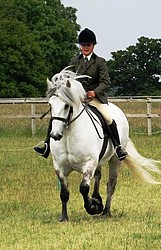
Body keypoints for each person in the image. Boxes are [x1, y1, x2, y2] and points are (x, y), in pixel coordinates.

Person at [34, 28, 128, 161]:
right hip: (77, 99)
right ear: (80, 46)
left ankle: (118, 147)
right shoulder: (74, 61)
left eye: (88, 45)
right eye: (83, 45)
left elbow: (105, 82)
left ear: (93, 46)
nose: (85, 47)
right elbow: (68, 79)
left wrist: (94, 92)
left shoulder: (100, 62)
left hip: (95, 99)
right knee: (57, 114)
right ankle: (46, 145)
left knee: (108, 118)